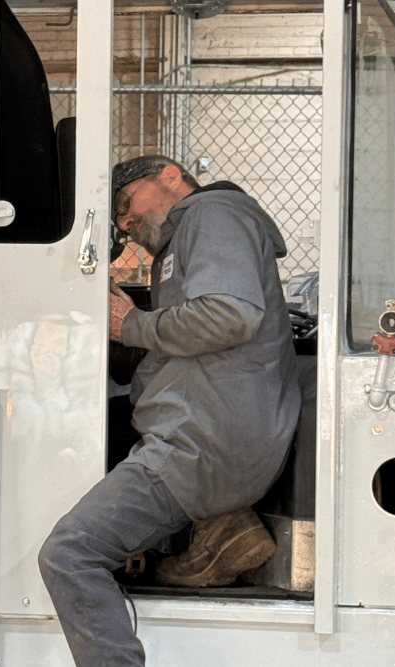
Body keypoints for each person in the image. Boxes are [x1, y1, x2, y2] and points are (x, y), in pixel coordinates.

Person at [38, 155, 300, 667]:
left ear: (171, 177)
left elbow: (229, 316)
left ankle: (207, 522)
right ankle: (214, 530)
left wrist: (131, 325)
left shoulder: (213, 214)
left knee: (70, 554)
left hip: (202, 443)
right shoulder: (183, 244)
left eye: (124, 203)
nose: (122, 222)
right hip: (211, 431)